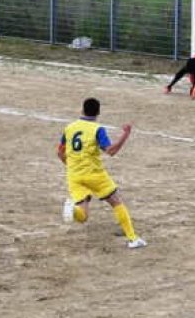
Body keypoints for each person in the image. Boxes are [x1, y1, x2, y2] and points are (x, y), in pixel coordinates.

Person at [57, 98, 146, 249]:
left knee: (83, 216)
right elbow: (111, 151)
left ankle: (73, 210)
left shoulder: (69, 128)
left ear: (82, 110)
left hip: (74, 175)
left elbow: (60, 153)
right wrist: (125, 134)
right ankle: (133, 238)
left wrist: (72, 167)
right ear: (98, 112)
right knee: (116, 201)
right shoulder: (98, 129)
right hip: (94, 174)